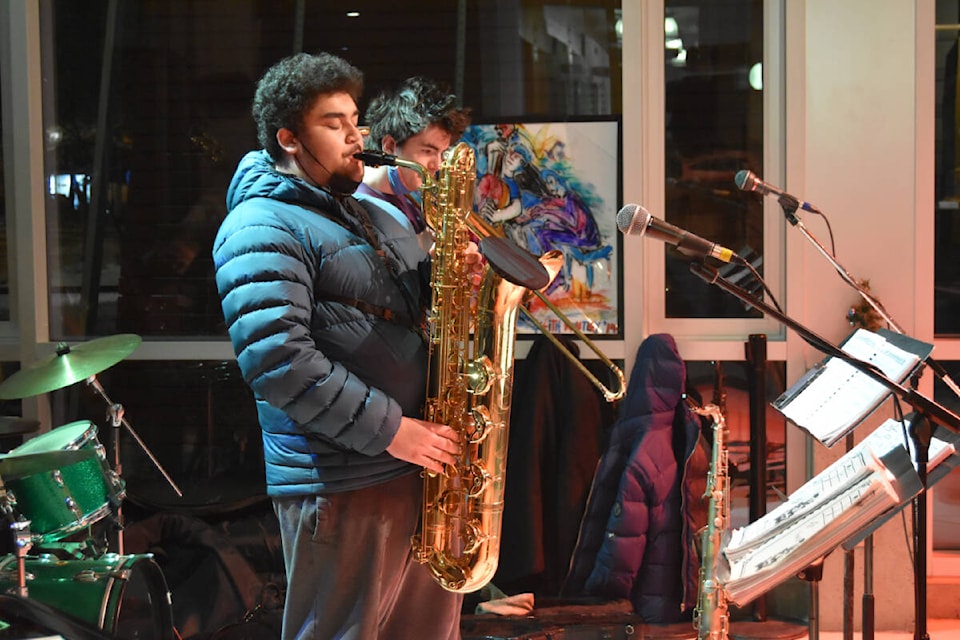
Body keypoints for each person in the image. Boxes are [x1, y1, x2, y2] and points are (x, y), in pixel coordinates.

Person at [212, 52, 464, 640]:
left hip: (409, 463)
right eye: (334, 123)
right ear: (289, 138)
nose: (357, 136)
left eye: (356, 119)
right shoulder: (261, 224)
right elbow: (278, 360)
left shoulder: (354, 213)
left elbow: (397, 310)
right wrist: (394, 431)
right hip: (344, 476)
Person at [354, 76, 472, 253]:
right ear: (390, 146)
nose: (438, 165)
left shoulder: (410, 194)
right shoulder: (360, 211)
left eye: (441, 153)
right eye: (427, 151)